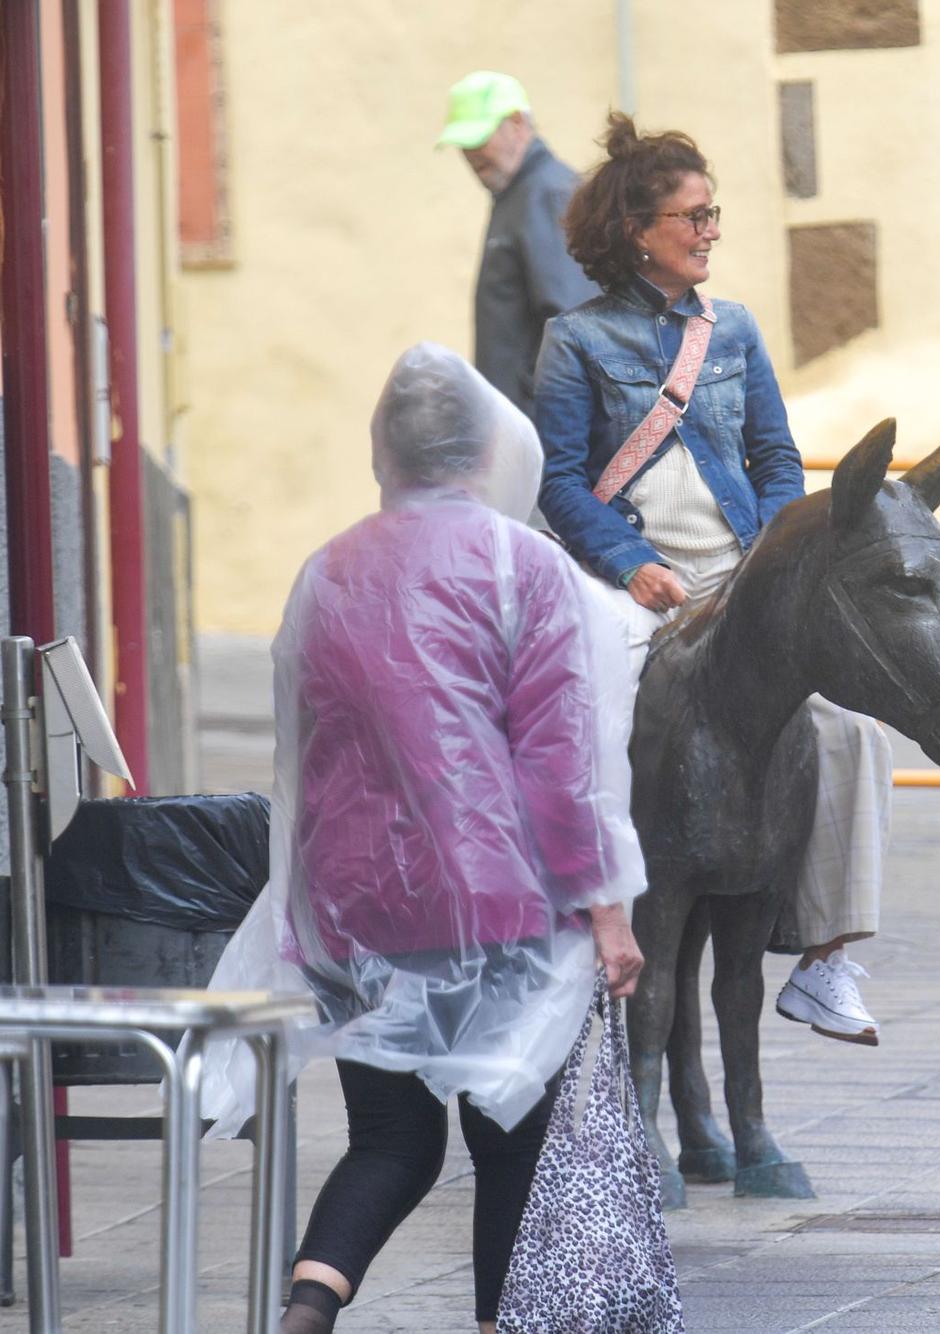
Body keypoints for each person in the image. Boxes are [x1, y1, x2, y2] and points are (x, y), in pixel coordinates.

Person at [258, 344, 652, 1333]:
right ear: (488, 450)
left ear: (384, 449)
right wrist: (605, 909)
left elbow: (301, 752)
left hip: (353, 900)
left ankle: (307, 1307)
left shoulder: (328, 569)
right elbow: (562, 767)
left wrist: (307, 913)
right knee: (510, 1139)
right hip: (495, 902)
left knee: (388, 1140)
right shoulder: (525, 568)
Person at [533, 113, 890, 1044]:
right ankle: (594, 918)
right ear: (633, 231)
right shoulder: (573, 342)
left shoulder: (732, 330)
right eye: (692, 217)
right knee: (597, 726)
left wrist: (770, 560)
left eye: (712, 214)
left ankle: (824, 958)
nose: (709, 233)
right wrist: (630, 563)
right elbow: (561, 484)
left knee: (849, 735)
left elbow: (777, 455)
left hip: (736, 579)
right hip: (631, 586)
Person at [438, 71, 599, 416]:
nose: (470, 153)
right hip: (523, 427)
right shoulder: (520, 195)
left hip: (543, 432)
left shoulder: (546, 194)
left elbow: (573, 321)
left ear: (516, 123)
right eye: (463, 144)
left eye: (479, 138)